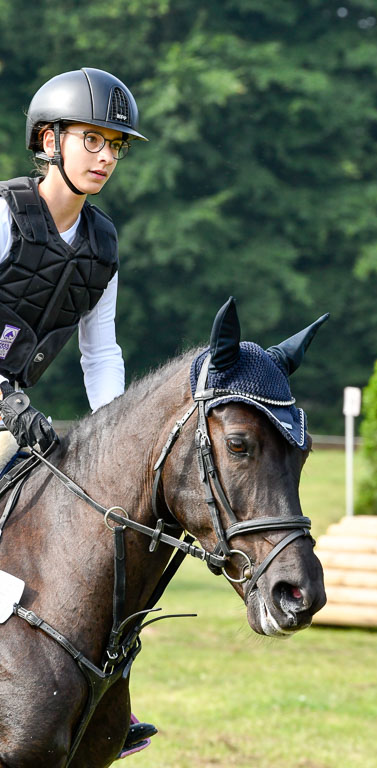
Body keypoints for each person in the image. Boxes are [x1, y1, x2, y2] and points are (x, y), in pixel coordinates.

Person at [0, 67, 156, 759]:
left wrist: (113, 435)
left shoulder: (103, 245)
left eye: (115, 145)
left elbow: (101, 354)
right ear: (48, 140)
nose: (105, 156)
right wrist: (6, 401)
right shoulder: (5, 216)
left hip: (17, 409)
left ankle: (96, 704)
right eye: (92, 139)